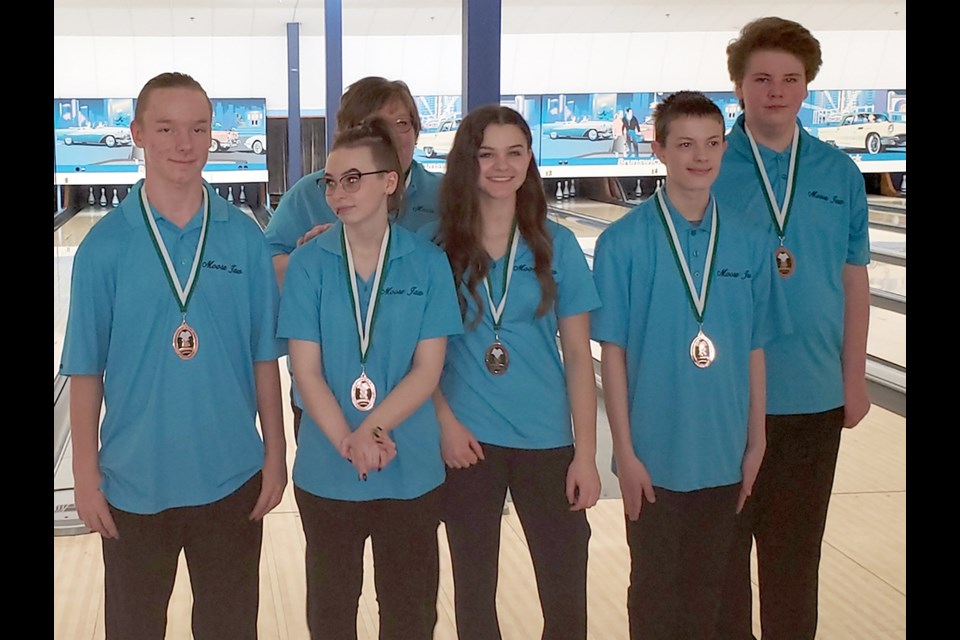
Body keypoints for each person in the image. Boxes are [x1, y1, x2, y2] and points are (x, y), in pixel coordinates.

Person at [59, 72, 287, 640]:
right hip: (133, 485)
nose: (184, 143)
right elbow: (85, 373)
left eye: (198, 128)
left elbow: (265, 360)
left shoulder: (243, 239)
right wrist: (85, 478)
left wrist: (276, 456)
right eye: (166, 128)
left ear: (212, 136)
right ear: (137, 132)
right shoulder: (102, 247)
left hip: (231, 478)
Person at [591, 91, 788, 639]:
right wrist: (624, 455)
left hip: (725, 458)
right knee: (653, 597)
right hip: (653, 459)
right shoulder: (621, 243)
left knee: (712, 599)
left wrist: (758, 443)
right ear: (658, 149)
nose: (700, 157)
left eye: (711, 144)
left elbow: (754, 349)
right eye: (684, 144)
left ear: (724, 147)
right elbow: (613, 355)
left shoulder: (749, 244)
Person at [712, 17, 872, 640]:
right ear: (739, 86)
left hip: (813, 396)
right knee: (726, 562)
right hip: (728, 397)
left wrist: (853, 378)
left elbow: (855, 278)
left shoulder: (839, 173)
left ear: (807, 87)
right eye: (761, 79)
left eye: (790, 79)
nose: (775, 91)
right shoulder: (711, 166)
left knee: (796, 559)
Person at [277, 118, 462, 639]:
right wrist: (347, 440)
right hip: (327, 469)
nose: (338, 194)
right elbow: (305, 370)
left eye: (353, 179)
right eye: (330, 182)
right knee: (331, 617)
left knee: (409, 617)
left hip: (412, 470)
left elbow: (428, 369)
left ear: (390, 181)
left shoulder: (428, 264)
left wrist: (372, 430)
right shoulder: (309, 265)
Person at [425, 105, 601, 640]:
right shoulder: (439, 250)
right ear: (467, 163)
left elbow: (577, 357)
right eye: (486, 154)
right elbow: (417, 357)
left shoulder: (558, 245)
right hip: (469, 440)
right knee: (475, 595)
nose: (501, 166)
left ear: (529, 160)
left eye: (514, 153)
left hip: (547, 440)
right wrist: (445, 424)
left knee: (566, 591)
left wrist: (588, 456)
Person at [264, 76, 442, 440]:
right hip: (327, 390)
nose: (391, 136)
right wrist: (304, 262)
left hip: (419, 389)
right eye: (374, 126)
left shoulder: (446, 198)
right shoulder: (311, 195)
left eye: (402, 123)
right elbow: (265, 273)